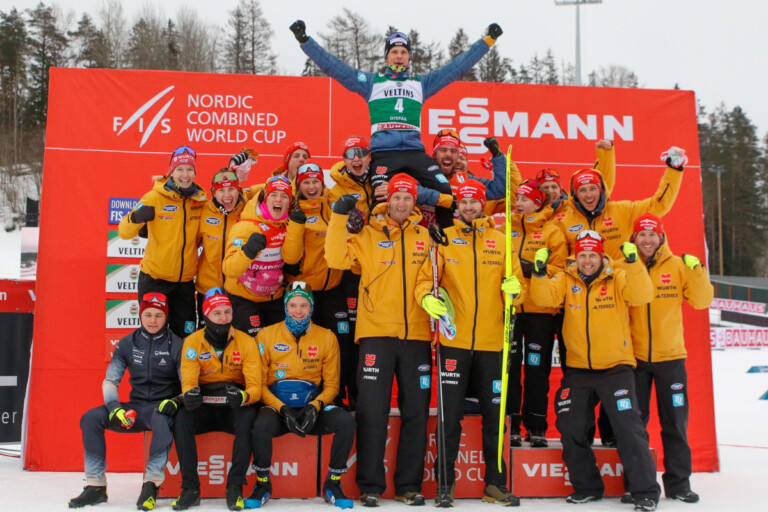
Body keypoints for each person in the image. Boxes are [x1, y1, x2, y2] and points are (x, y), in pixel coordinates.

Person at [290, 21, 503, 227]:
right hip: (385, 154)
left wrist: (487, 41)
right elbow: (334, 67)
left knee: (445, 189)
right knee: (381, 196)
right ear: (387, 56)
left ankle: (445, 238)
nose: (399, 56)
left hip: (414, 152)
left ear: (409, 57)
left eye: (403, 52)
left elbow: (457, 67)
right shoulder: (372, 84)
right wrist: (305, 41)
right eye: (394, 52)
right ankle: (378, 246)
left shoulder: (420, 84)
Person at [530, 232, 661, 511]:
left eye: (592, 255)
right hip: (578, 370)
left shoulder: (619, 276)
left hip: (616, 368)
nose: (587, 261)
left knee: (628, 429)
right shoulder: (567, 278)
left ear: (602, 256)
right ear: (575, 257)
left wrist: (634, 263)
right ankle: (588, 487)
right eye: (582, 255)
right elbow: (544, 298)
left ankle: (645, 491)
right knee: (569, 425)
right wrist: (540, 274)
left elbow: (643, 294)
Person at [414, 179, 525, 506]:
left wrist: (514, 291)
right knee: (449, 419)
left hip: (492, 343)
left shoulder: (501, 240)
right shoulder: (444, 240)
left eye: (474, 202)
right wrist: (426, 300)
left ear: (483, 205)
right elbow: (426, 281)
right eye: (464, 203)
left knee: (495, 418)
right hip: (454, 342)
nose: (469, 207)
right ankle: (444, 485)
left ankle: (495, 484)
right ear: (458, 207)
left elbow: (518, 292)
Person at [325, 173, 432, 507]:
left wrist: (428, 297)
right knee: (372, 412)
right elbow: (336, 259)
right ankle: (370, 485)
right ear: (388, 202)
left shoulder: (425, 236)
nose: (401, 204)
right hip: (375, 336)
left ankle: (408, 486)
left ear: (415, 202)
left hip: (416, 336)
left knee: (416, 413)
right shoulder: (368, 234)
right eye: (397, 198)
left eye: (408, 198)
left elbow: (428, 277)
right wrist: (340, 218)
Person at [623, 213, 713, 504]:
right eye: (641, 235)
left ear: (660, 237)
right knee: (635, 426)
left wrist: (698, 271)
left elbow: (701, 301)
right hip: (634, 360)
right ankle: (635, 484)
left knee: (674, 423)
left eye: (652, 235)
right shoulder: (624, 265)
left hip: (670, 359)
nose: (647, 240)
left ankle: (678, 483)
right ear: (633, 239)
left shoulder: (676, 266)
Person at [246, 281, 356, 509]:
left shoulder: (327, 337)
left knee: (345, 421)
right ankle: (262, 484)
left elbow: (333, 386)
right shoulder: (266, 335)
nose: (298, 311)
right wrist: (282, 408)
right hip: (278, 410)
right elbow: (259, 384)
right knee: (261, 423)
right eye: (293, 305)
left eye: (304, 305)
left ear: (311, 308)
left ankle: (333, 483)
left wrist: (315, 406)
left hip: (310, 410)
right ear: (285, 307)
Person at [68, 293, 183, 510]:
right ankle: (96, 486)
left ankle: (151, 484)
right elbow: (111, 380)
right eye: (147, 315)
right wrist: (115, 408)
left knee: (161, 418)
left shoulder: (176, 344)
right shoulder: (127, 343)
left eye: (158, 315)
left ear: (165, 317)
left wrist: (176, 401)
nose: (153, 320)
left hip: (161, 408)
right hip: (135, 408)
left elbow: (189, 385)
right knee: (91, 417)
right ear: (140, 315)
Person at [171, 289, 262, 511]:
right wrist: (190, 394)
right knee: (182, 418)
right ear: (206, 316)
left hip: (234, 404)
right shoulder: (192, 342)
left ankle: (235, 487)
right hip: (205, 406)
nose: (223, 318)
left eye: (227, 312)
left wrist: (244, 397)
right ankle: (190, 489)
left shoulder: (247, 342)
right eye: (217, 313)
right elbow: (189, 381)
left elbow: (255, 388)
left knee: (249, 415)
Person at [282, 163, 354, 408]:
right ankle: (309, 396)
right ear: (298, 185)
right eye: (306, 182)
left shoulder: (331, 205)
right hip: (305, 291)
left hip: (334, 288)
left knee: (341, 342)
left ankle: (337, 396)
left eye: (315, 182)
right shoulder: (293, 210)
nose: (312, 187)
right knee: (309, 345)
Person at [504, 180, 568, 448]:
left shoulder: (552, 231)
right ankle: (513, 427)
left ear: (538, 203)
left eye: (525, 199)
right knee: (509, 371)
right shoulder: (506, 228)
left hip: (541, 312)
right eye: (517, 198)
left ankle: (538, 427)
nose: (519, 203)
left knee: (536, 371)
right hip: (512, 311)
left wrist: (533, 269)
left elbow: (562, 269)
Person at [118, 146, 206, 337]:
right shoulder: (154, 197)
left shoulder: (199, 201)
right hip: (155, 280)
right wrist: (135, 218)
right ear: (171, 171)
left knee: (185, 337)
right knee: (152, 335)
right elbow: (123, 232)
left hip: (184, 283)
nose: (185, 174)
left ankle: (181, 369)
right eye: (180, 169)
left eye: (190, 169)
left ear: (195, 172)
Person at [557, 145, 685, 260]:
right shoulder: (563, 221)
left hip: (619, 283)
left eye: (593, 188)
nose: (589, 195)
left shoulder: (624, 211)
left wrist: (674, 171)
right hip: (580, 285)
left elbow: (659, 205)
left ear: (601, 190)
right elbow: (558, 261)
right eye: (582, 190)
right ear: (575, 195)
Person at [222, 176, 292, 336]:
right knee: (251, 351)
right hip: (245, 299)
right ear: (264, 199)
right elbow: (229, 269)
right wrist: (248, 252)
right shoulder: (245, 226)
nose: (278, 200)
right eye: (273, 195)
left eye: (284, 196)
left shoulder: (288, 225)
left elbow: (292, 258)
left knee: (276, 349)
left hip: (275, 298)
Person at [196, 169, 246, 327]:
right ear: (214, 193)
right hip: (209, 289)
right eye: (221, 190)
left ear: (239, 191)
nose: (227, 196)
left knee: (238, 341)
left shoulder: (247, 212)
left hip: (240, 291)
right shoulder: (203, 213)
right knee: (208, 342)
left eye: (231, 189)